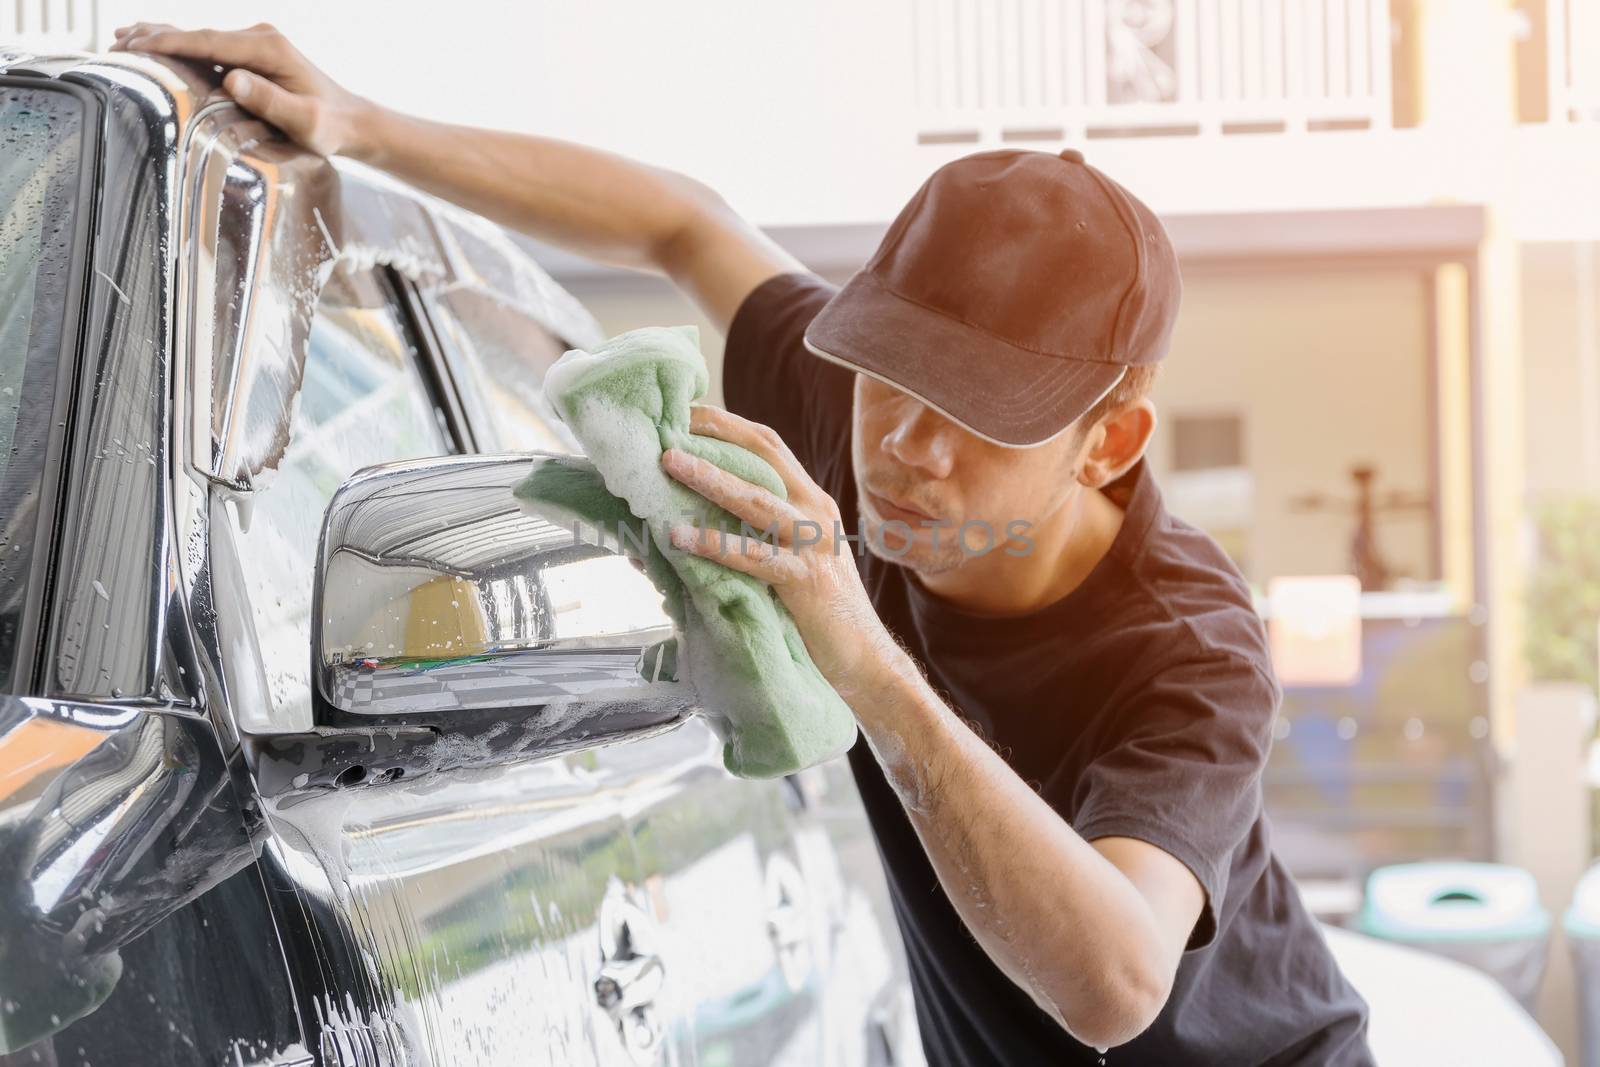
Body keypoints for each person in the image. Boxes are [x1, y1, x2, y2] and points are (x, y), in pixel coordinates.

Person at [111, 22, 1374, 1064]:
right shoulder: (855, 426)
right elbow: (682, 223)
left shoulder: (1189, 646)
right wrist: (363, 124)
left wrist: (866, 657)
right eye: (890, 378)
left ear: (1110, 441)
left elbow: (1113, 981)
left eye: (974, 416)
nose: (905, 451)